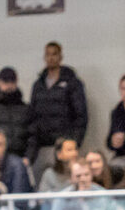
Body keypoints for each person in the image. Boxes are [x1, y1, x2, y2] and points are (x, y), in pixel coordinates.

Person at [26, 41, 88, 177]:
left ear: (60, 57)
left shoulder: (72, 82)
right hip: (42, 146)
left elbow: (81, 115)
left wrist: (75, 144)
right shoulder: (38, 85)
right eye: (48, 54)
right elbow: (32, 116)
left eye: (54, 54)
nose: (51, 58)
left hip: (64, 145)